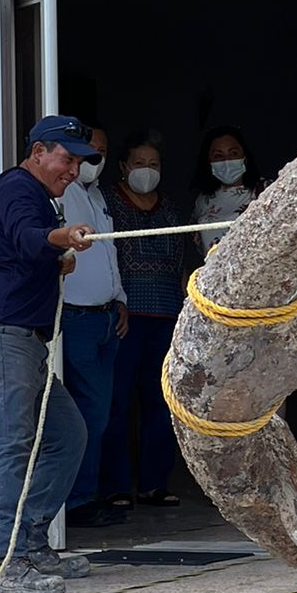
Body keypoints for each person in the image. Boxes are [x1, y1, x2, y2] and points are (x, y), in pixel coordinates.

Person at [0, 116, 100, 593]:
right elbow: (25, 236)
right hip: (1, 335)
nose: (74, 169)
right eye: (67, 158)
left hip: (22, 340)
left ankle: (32, 540)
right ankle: (4, 561)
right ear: (39, 151)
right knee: (14, 443)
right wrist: (62, 239)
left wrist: (55, 256)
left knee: (67, 436)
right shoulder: (18, 190)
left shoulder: (37, 196)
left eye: (80, 161)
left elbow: (25, 247)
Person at [102, 131, 186, 508]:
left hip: (166, 314)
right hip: (125, 316)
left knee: (160, 400)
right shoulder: (108, 203)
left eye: (154, 165)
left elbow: (181, 261)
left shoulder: (168, 207)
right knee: (117, 401)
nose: (146, 171)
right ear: (123, 167)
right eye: (139, 164)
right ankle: (115, 485)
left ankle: (154, 482)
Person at [60, 125, 130, 528]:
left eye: (102, 151)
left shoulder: (97, 195)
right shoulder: (61, 193)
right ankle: (77, 500)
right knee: (88, 414)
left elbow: (109, 251)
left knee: (101, 412)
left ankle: (87, 493)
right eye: (89, 151)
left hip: (106, 317)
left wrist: (119, 299)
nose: (94, 158)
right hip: (77, 317)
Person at [190, 125, 262, 253]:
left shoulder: (265, 190)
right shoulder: (202, 201)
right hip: (215, 271)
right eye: (218, 156)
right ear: (208, 161)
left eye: (233, 153)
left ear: (244, 157)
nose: (227, 160)